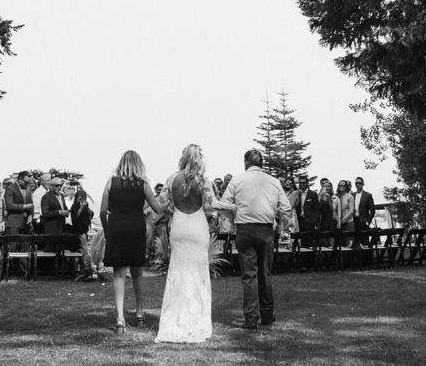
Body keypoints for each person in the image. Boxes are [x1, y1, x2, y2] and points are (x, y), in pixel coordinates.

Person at [155, 144, 223, 343]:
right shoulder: (204, 181)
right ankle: (197, 320)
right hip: (197, 227)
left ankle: (174, 319)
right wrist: (235, 207)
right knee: (198, 273)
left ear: (183, 157)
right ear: (199, 159)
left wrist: (174, 213)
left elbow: (160, 206)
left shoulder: (171, 179)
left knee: (177, 272)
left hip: (179, 227)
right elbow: (213, 205)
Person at [217, 148, 291, 330]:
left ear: (245, 163)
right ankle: (267, 315)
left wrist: (234, 219)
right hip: (266, 230)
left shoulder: (237, 180)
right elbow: (286, 209)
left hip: (245, 230)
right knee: (265, 274)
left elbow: (223, 205)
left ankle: (251, 318)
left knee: (249, 276)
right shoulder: (274, 182)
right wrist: (283, 227)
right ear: (262, 163)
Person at [100, 150, 166, 335]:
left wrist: (106, 230)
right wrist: (168, 203)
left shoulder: (110, 183)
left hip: (116, 229)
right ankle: (139, 313)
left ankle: (120, 319)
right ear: (139, 164)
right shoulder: (143, 185)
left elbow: (102, 212)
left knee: (119, 274)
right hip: (136, 228)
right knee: (137, 273)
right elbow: (158, 208)